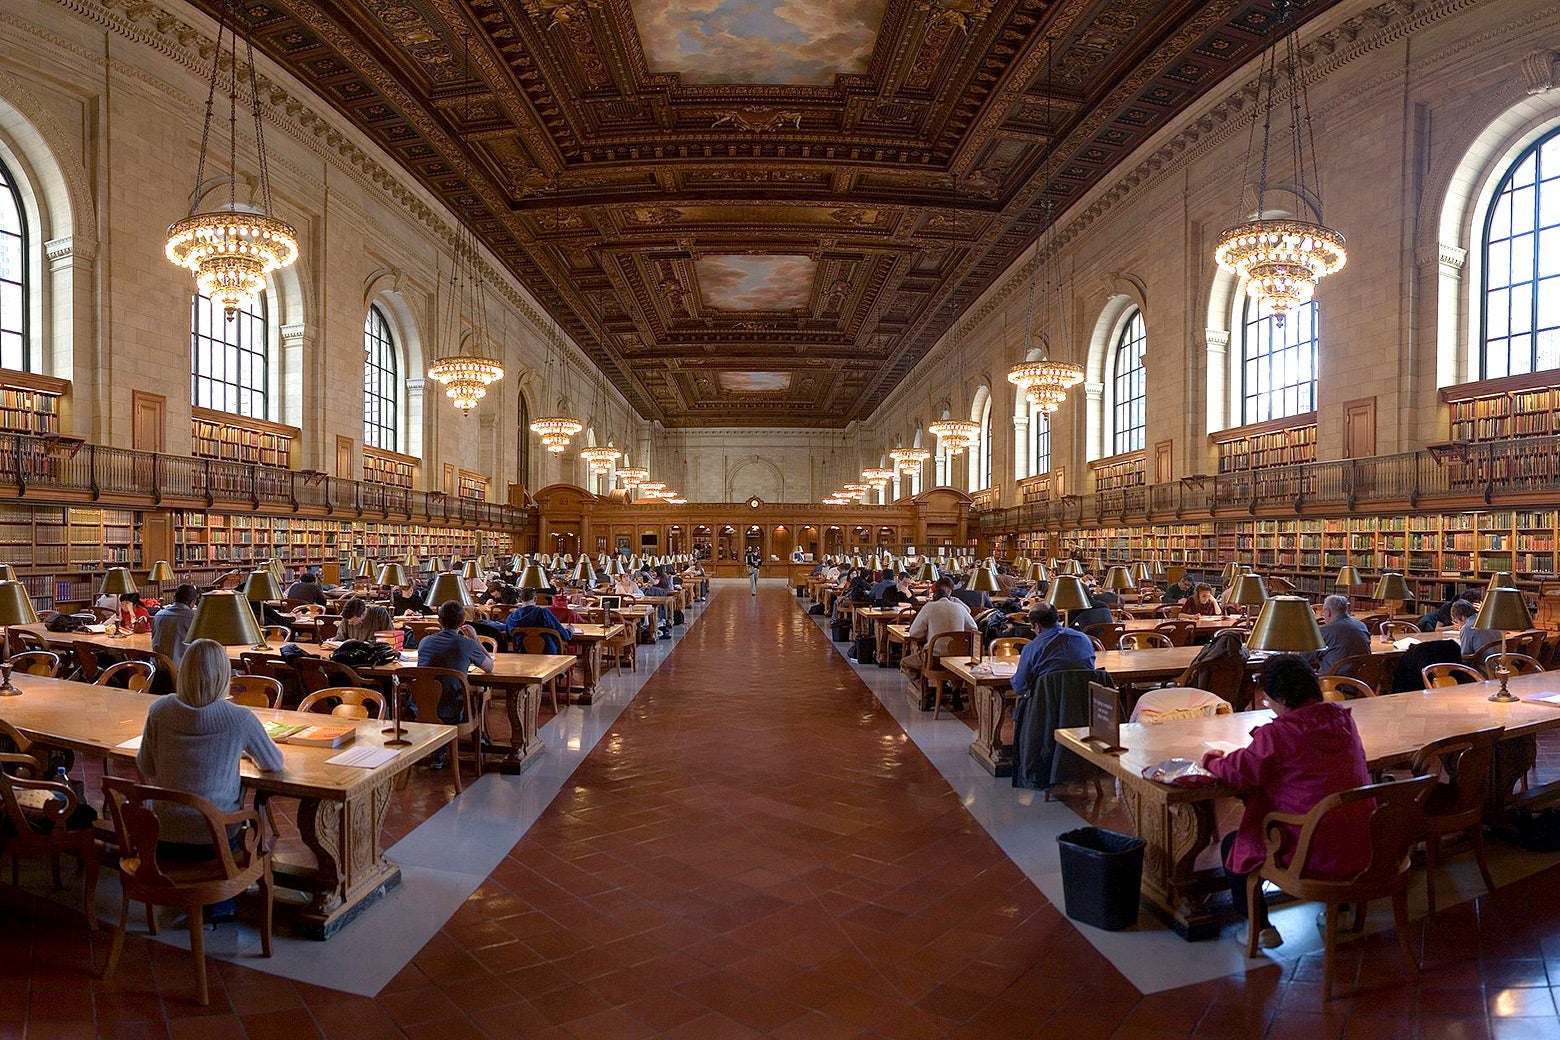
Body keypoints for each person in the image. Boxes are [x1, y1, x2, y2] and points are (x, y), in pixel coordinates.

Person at [1201, 655, 1372, 950]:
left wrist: (1211, 759)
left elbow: (1240, 773)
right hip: (1363, 839)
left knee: (1234, 844)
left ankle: (1259, 926)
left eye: (1268, 701)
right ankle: (1340, 911)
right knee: (1332, 813)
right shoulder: (1343, 719)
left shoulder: (1279, 733)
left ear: (1280, 698)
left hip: (1312, 850)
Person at [136, 639, 285, 921]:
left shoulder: (159, 709)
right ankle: (221, 904)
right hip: (214, 840)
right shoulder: (239, 718)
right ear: (224, 676)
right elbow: (274, 764)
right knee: (244, 828)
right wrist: (240, 754)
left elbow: (146, 765)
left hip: (162, 835)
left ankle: (191, 897)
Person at [416, 600, 495, 727]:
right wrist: (475, 639)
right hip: (453, 709)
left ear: (439, 620)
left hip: (422, 706)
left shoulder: (424, 642)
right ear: (462, 621)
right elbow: (489, 667)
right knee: (478, 694)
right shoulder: (468, 644)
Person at [1010, 603, 1097, 694]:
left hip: (1046, 704)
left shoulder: (1032, 648)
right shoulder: (1084, 639)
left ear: (1037, 626)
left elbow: (1019, 687)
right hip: (1084, 701)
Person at [502, 587, 574, 653]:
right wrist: (570, 630)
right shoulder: (544, 613)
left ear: (520, 599)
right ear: (535, 599)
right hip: (548, 653)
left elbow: (509, 638)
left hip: (522, 653)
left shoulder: (511, 617)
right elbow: (565, 635)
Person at [906, 581, 977, 649]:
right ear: (949, 593)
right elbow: (974, 628)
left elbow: (914, 633)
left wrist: (928, 632)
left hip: (933, 655)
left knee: (905, 661)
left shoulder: (929, 607)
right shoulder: (960, 607)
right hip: (958, 655)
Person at [1314, 594, 1372, 673]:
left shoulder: (1326, 630)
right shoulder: (1362, 625)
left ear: (1328, 612)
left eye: (1323, 611)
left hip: (1333, 682)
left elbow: (1306, 657)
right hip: (1361, 680)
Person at [151, 583, 199, 665]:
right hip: (181, 670)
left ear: (174, 598)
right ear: (192, 602)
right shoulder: (193, 618)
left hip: (157, 668)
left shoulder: (158, 615)